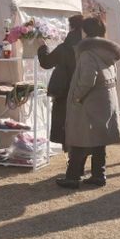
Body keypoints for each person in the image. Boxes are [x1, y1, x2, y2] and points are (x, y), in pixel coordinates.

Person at [56, 17, 120, 189]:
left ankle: (72, 177)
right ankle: (99, 174)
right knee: (99, 138)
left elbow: (87, 79)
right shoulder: (108, 51)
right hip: (105, 99)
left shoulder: (88, 53)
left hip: (89, 101)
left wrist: (77, 97)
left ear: (85, 32)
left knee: (80, 138)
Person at [36, 15, 83, 147]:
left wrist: (42, 47)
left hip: (64, 91)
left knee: (65, 124)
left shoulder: (65, 47)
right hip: (83, 90)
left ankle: (71, 154)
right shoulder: (87, 47)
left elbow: (46, 62)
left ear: (71, 27)